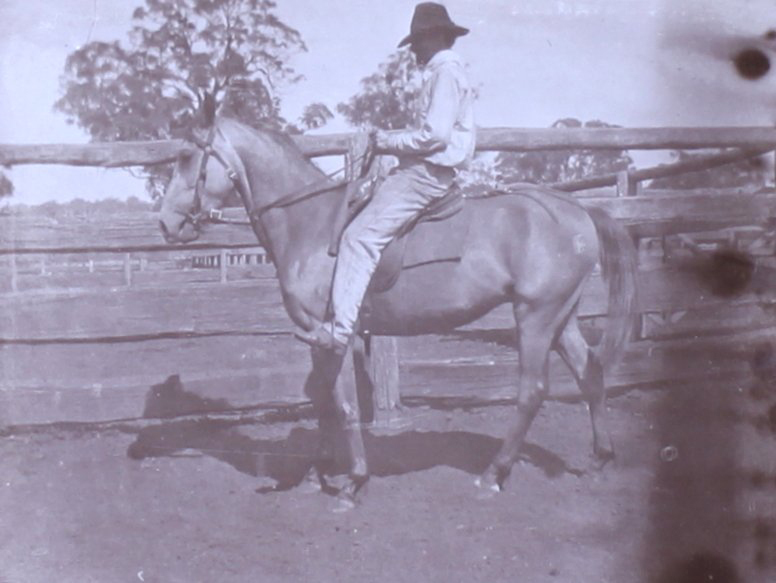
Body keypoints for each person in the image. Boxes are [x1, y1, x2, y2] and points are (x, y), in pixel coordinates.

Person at [297, 2, 476, 354]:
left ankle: (340, 330)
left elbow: (435, 136)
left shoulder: (445, 74)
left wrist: (385, 140)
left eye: (420, 41)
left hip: (425, 174)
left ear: (438, 37)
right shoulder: (442, 73)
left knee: (358, 238)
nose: (414, 50)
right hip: (421, 169)